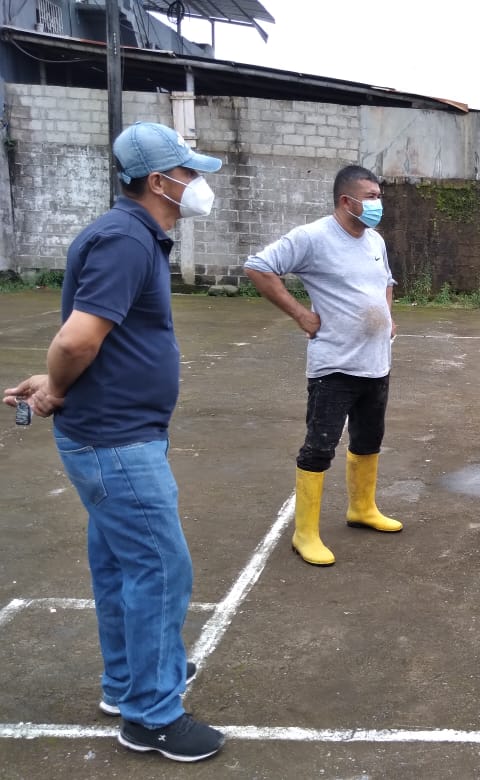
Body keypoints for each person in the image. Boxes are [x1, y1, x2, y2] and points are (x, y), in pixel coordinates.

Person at [3, 122, 225, 761]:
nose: (197, 182)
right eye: (187, 172)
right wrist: (54, 387)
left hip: (115, 435)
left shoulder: (132, 235)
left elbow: (95, 339)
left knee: (121, 563)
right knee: (159, 567)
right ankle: (151, 715)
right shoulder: (126, 239)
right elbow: (77, 340)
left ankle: (129, 680)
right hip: (116, 442)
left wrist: (55, 383)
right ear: (158, 182)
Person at [244, 165, 400, 568]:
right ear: (346, 201)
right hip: (335, 366)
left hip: (376, 362)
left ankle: (362, 509)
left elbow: (386, 281)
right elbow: (258, 266)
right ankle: (305, 533)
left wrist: (386, 315)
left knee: (369, 439)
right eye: (370, 197)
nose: (378, 204)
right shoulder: (312, 237)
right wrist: (300, 314)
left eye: (378, 196)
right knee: (319, 447)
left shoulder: (375, 240)